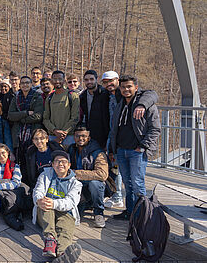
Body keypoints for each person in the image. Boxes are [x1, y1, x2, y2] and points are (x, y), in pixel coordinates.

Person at [109, 75, 160, 220]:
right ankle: (130, 212)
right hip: (121, 150)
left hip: (136, 151)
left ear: (136, 88)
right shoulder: (121, 104)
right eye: (123, 87)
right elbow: (115, 128)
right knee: (127, 184)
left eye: (129, 86)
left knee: (138, 185)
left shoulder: (146, 105)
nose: (126, 89)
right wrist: (113, 149)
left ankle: (142, 216)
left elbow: (155, 129)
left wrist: (143, 146)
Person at [32, 150, 82, 263]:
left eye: (63, 161)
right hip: (46, 212)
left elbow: (71, 202)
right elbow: (37, 191)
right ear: (53, 164)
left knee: (65, 228)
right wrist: (39, 200)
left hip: (65, 212)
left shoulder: (76, 183)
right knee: (45, 204)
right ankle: (50, 240)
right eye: (57, 161)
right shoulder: (45, 175)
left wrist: (54, 203)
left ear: (69, 165)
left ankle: (62, 255)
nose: (60, 164)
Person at [67, 127, 108, 228]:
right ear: (74, 137)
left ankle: (99, 213)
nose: (80, 138)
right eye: (77, 136)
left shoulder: (98, 152)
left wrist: (76, 173)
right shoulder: (71, 149)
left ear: (88, 138)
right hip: (78, 186)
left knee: (95, 183)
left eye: (84, 136)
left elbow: (102, 174)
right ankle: (82, 205)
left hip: (92, 186)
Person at [8, 76, 44, 177]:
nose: (25, 85)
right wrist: (26, 113)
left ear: (31, 84)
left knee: (32, 162)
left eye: (27, 83)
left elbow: (38, 116)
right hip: (18, 135)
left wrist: (21, 119)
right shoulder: (16, 97)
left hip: (32, 134)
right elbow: (10, 115)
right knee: (20, 162)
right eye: (23, 83)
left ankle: (32, 183)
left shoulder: (37, 96)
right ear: (20, 85)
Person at [43, 70, 80, 147]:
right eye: (54, 79)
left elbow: (75, 117)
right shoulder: (49, 98)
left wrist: (64, 132)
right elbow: (45, 119)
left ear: (64, 80)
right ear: (51, 80)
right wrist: (54, 130)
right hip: (53, 136)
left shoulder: (72, 95)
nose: (57, 81)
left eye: (60, 79)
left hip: (69, 136)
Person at [79, 70, 110, 149]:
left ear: (96, 79)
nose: (89, 82)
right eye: (86, 80)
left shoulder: (105, 94)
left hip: (103, 134)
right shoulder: (82, 96)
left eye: (91, 79)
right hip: (88, 134)